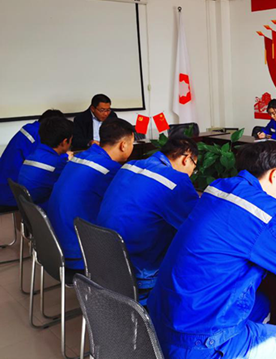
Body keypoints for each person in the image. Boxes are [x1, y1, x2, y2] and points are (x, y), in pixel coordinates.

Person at [147, 141, 276, 359]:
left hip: (160, 324)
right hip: (199, 340)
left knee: (262, 303)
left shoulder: (217, 188)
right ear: (275, 173)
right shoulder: (265, 210)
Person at [95, 137, 199, 301]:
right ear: (187, 159)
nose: (192, 173)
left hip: (103, 259)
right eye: (194, 166)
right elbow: (197, 226)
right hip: (137, 271)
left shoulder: (130, 166)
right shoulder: (176, 180)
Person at [46, 119, 136, 271]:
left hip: (54, 243)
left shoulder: (82, 156)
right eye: (132, 143)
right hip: (77, 251)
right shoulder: (109, 170)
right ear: (123, 145)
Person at [0, 109, 64, 208]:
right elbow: (48, 160)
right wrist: (65, 156)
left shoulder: (30, 128)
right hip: (10, 191)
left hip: (6, 183)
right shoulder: (38, 135)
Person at [18, 116, 74, 208]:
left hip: (31, 208)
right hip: (44, 208)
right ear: (64, 142)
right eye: (71, 140)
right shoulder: (58, 163)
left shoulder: (33, 154)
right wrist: (68, 159)